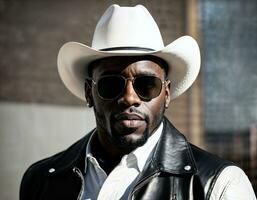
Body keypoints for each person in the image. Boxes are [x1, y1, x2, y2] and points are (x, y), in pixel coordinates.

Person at [20, 4, 256, 200]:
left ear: (167, 94)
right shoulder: (41, 180)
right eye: (111, 85)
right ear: (89, 93)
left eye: (146, 85)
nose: (129, 98)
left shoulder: (219, 185)